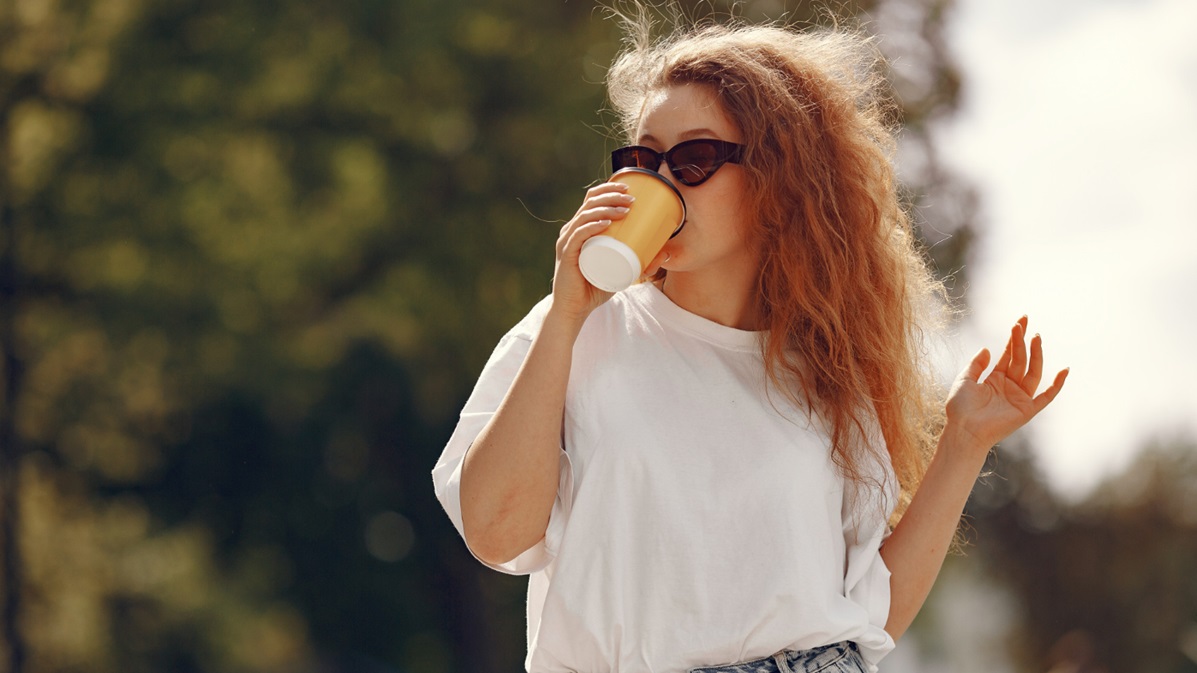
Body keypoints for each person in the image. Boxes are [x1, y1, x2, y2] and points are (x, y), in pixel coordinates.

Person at [432, 11, 1068, 673]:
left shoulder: (826, 371)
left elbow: (866, 618)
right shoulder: (570, 330)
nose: (660, 182)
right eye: (643, 159)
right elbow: (496, 531)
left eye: (694, 159)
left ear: (777, 179)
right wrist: (565, 316)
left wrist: (964, 441)